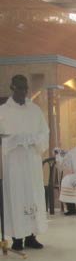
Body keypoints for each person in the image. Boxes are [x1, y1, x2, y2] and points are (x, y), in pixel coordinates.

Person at [0, 75, 48, 251]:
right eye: (20, 88)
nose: (23, 92)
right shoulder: (3, 111)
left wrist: (33, 139)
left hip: (31, 162)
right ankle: (17, 238)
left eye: (25, 88)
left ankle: (31, 236)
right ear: (12, 88)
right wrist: (15, 140)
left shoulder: (35, 110)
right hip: (13, 163)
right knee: (16, 197)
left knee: (32, 194)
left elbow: (45, 133)